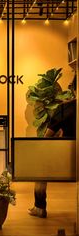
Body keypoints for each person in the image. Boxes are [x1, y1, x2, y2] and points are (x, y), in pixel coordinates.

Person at [28, 77, 77, 218]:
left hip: (69, 162)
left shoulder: (65, 108)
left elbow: (47, 136)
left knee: (40, 169)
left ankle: (39, 207)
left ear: (73, 89)